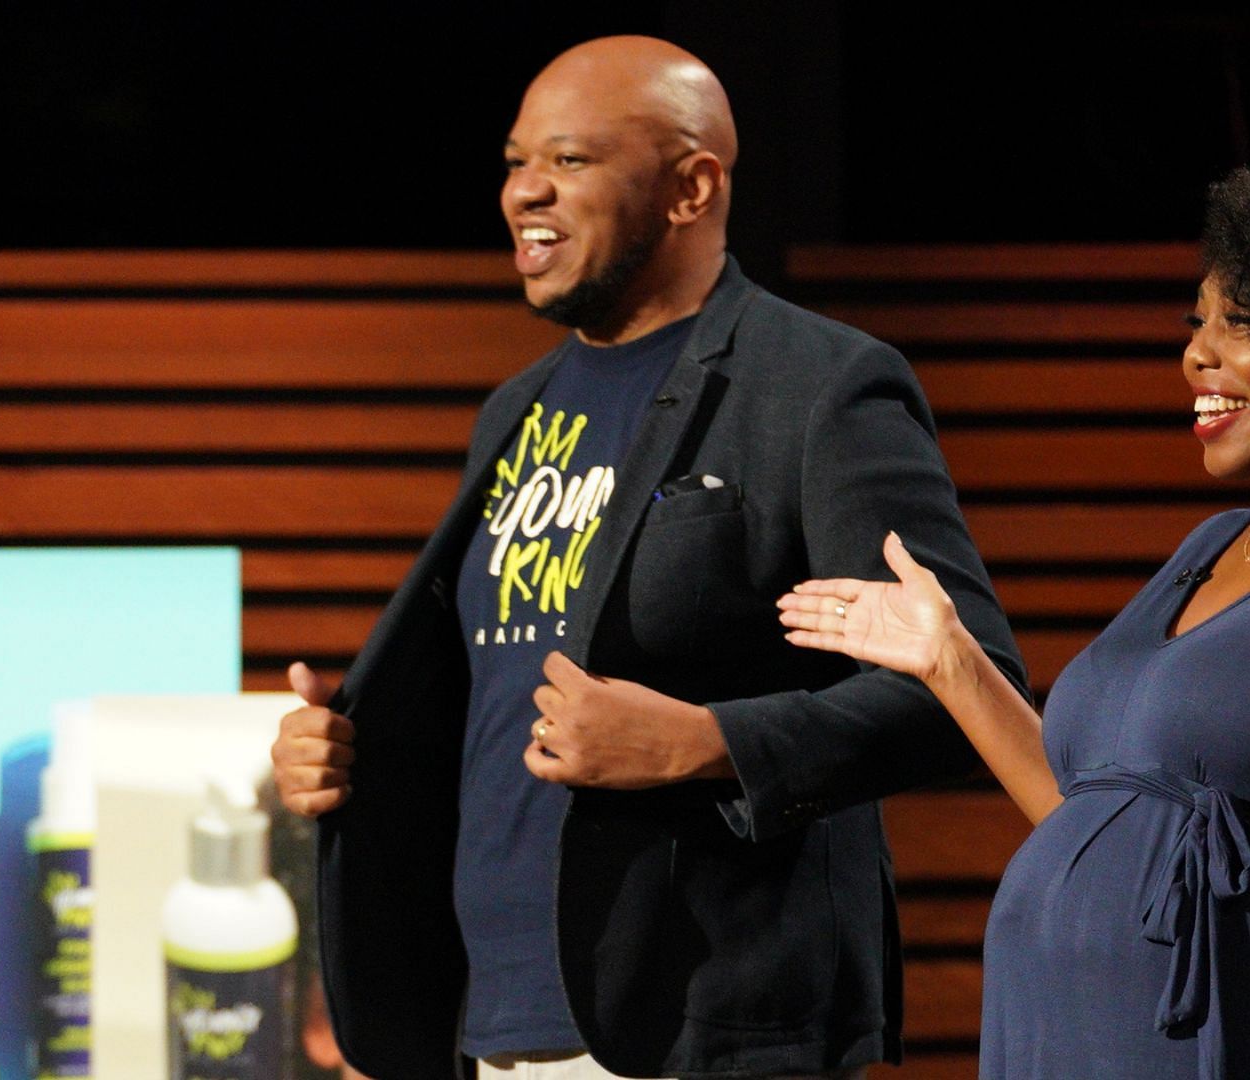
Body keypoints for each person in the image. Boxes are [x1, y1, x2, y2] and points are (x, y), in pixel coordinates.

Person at [269, 36, 1026, 1080]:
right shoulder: (517, 410)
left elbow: (961, 691)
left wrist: (711, 743)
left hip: (704, 1027)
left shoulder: (822, 386)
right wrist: (348, 751)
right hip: (490, 1027)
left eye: (571, 161)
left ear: (692, 186)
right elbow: (484, 700)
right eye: (514, 159)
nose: (524, 191)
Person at [778, 153, 1250, 1079]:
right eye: (1198, 324)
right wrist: (953, 663)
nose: (1198, 354)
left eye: (1243, 324)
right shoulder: (1207, 550)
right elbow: (1099, 816)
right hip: (1088, 1043)